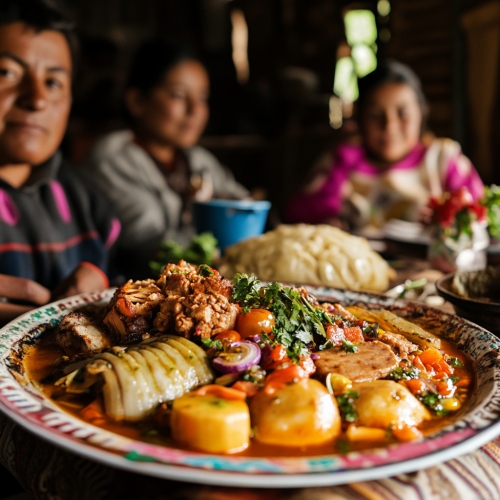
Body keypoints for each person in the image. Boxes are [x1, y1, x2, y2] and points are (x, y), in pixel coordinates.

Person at [0, 0, 121, 325]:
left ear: (68, 102)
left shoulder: (90, 205)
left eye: (53, 82)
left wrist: (98, 282)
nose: (36, 99)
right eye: (7, 72)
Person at [83, 41, 248, 278]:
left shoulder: (198, 159)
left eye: (202, 97)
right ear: (137, 101)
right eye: (178, 95)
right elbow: (147, 244)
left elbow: (244, 206)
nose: (194, 109)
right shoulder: (113, 158)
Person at [285, 60, 484, 231]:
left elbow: (479, 215)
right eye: (375, 115)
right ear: (360, 120)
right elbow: (299, 212)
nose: (389, 126)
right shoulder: (344, 160)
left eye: (402, 113)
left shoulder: (443, 159)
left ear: (421, 113)